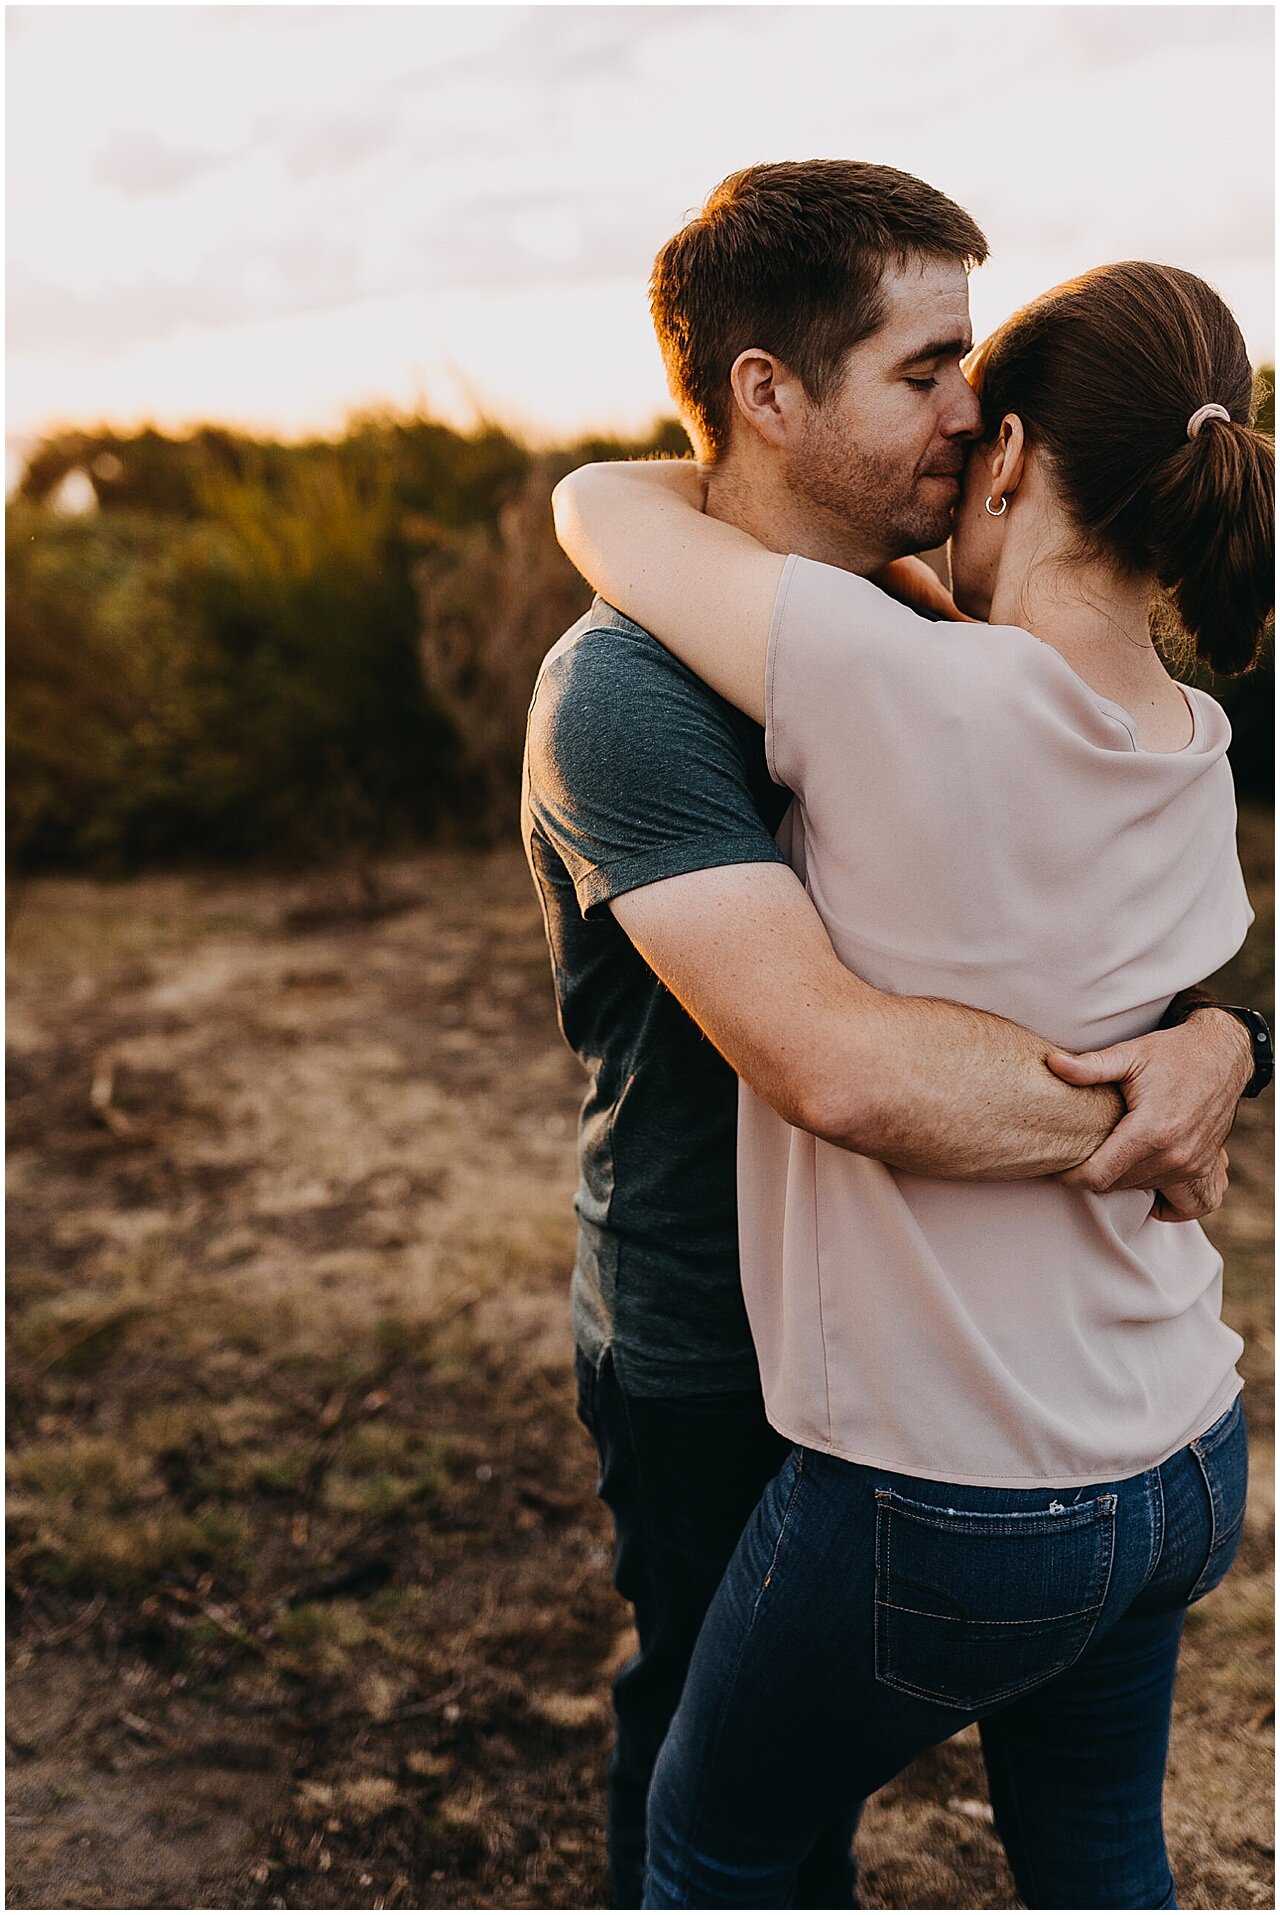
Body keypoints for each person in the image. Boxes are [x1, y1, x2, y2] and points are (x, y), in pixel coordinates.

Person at [521, 162, 1262, 1909]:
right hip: (731, 1341)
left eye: (978, 383)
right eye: (925, 372)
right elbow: (847, 1067)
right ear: (769, 391)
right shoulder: (638, 686)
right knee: (737, 1777)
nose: (966, 415)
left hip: (956, 1421)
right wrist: (1155, 1090)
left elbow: (606, 497)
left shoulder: (917, 651)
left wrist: (1227, 1041)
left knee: (742, 1830)